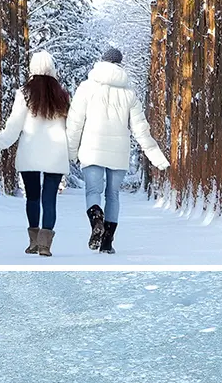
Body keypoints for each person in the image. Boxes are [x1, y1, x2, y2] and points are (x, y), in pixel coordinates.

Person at [66, 47, 169, 253]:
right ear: (120, 65)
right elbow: (141, 130)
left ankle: (96, 220)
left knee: (93, 191)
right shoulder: (129, 94)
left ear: (101, 62)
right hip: (119, 152)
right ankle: (107, 242)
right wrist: (158, 158)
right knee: (112, 195)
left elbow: (74, 124)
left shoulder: (86, 88)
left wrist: (69, 154)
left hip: (92, 150)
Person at [0, 51, 70, 257]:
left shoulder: (24, 93)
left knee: (32, 197)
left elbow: (14, 125)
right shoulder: (62, 95)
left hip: (30, 152)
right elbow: (72, 126)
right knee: (49, 198)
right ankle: (45, 245)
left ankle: (33, 242)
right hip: (56, 153)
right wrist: (75, 150)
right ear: (52, 68)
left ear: (32, 68)